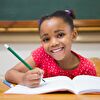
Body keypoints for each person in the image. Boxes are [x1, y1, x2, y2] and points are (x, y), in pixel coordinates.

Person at [5, 10, 96, 88]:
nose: (53, 43)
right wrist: (23, 79)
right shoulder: (42, 54)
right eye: (46, 39)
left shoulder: (87, 68)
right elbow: (9, 74)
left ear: (74, 35)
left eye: (60, 35)